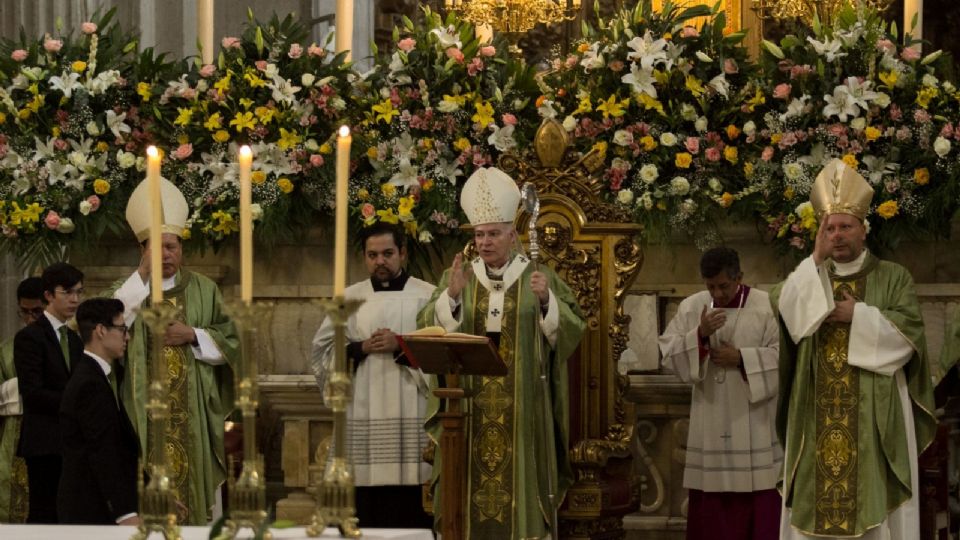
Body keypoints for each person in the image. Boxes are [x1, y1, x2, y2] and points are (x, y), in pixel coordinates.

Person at [771, 159, 936, 539]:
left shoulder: (893, 276)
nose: (837, 235)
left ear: (864, 230)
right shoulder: (811, 275)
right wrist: (814, 261)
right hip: (815, 413)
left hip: (874, 415)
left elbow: (910, 334)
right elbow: (783, 308)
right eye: (829, 228)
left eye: (846, 226)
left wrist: (857, 316)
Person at [418, 167, 586, 539]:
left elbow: (572, 330)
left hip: (523, 407)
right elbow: (428, 326)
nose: (484, 242)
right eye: (479, 234)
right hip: (467, 410)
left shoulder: (539, 276)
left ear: (513, 235)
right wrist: (452, 298)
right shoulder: (458, 275)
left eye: (493, 234)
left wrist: (546, 303)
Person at [107, 176, 239, 525]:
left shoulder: (204, 289)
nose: (167, 254)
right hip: (142, 414)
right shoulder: (127, 289)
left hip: (193, 411)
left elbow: (233, 342)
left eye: (173, 246)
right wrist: (141, 278)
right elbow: (103, 326)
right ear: (142, 250)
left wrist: (193, 334)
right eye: (158, 247)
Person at [310, 222, 434, 528]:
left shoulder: (428, 296)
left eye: (388, 253)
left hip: (412, 415)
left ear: (402, 253)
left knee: (410, 513)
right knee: (361, 511)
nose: (380, 261)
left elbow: (442, 353)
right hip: (361, 414)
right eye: (372, 254)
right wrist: (360, 347)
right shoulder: (348, 298)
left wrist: (401, 345)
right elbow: (322, 353)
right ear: (365, 258)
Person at [659, 247, 781, 540]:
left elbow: (785, 358)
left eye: (724, 286)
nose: (717, 293)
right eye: (710, 286)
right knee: (713, 509)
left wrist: (742, 359)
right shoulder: (693, 307)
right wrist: (699, 335)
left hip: (755, 419)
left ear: (739, 277)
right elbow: (668, 352)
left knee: (760, 496)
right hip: (711, 415)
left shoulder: (766, 306)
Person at [58, 298, 140, 525]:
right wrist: (125, 513)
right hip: (91, 508)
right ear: (101, 331)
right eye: (122, 329)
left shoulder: (95, 375)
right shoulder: (89, 383)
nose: (127, 337)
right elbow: (102, 451)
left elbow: (121, 447)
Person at [13, 263, 84, 523]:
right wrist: (77, 403)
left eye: (78, 292)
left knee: (70, 515)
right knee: (45, 514)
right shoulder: (30, 337)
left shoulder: (75, 339)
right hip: (44, 442)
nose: (75, 299)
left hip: (72, 443)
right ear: (48, 296)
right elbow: (32, 392)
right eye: (67, 292)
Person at [0, 277, 43, 522]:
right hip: (13, 434)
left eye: (36, 312)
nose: (29, 319)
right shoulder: (6, 350)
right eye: (24, 312)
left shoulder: (65, 344)